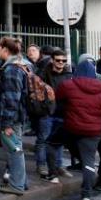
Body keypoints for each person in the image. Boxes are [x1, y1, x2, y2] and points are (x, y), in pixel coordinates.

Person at [55, 60, 101, 200]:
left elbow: (58, 99)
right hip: (93, 130)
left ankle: (51, 173)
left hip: (71, 127)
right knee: (89, 161)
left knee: (51, 144)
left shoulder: (68, 85)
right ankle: (87, 194)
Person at [0, 37, 32, 195]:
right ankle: (22, 182)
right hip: (17, 116)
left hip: (12, 118)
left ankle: (16, 185)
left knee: (14, 150)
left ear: (5, 50)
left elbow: (11, 99)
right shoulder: (22, 65)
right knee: (16, 148)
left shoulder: (12, 69)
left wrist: (6, 123)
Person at [36, 48, 73, 182]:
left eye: (64, 61)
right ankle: (41, 165)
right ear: (52, 60)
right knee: (43, 139)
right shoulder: (43, 73)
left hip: (62, 111)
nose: (61, 63)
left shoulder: (69, 73)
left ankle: (58, 166)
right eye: (58, 60)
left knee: (58, 141)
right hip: (47, 111)